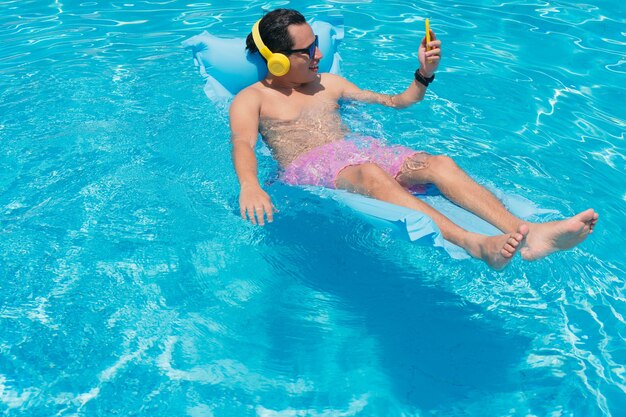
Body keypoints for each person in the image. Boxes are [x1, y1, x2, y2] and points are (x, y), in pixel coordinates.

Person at [229, 8, 598, 270]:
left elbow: (396, 102)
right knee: (371, 173)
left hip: (357, 152)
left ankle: (528, 232)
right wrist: (250, 185)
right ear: (277, 60)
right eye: (307, 50)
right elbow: (243, 144)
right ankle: (473, 243)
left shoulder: (329, 84)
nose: (319, 54)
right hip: (310, 170)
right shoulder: (252, 99)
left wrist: (423, 74)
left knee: (436, 163)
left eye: (316, 45)